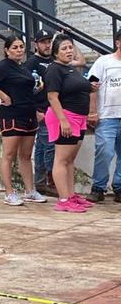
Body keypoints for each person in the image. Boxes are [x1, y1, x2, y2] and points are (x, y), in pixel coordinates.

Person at [0, 33, 46, 206]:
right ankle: (9, 193)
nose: (19, 50)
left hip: (29, 114)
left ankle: (30, 191)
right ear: (6, 50)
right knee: (9, 154)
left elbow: (26, 89)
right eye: (15, 47)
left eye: (21, 47)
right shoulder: (3, 66)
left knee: (25, 155)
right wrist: (4, 96)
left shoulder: (23, 68)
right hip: (12, 115)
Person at [44, 33, 93, 213]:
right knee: (61, 159)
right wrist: (63, 121)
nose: (69, 51)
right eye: (64, 48)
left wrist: (91, 87)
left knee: (70, 160)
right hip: (65, 117)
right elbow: (52, 97)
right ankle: (63, 199)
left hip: (78, 118)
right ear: (56, 53)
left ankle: (71, 195)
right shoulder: (54, 69)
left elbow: (75, 84)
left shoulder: (70, 68)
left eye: (70, 47)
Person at [86, 29, 121, 203]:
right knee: (104, 151)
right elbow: (92, 86)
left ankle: (119, 187)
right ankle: (98, 187)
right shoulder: (103, 62)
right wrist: (93, 111)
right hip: (107, 116)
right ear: (118, 42)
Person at [25, 30, 55, 195]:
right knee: (48, 145)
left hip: (54, 107)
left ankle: (40, 181)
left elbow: (78, 61)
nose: (47, 45)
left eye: (49, 41)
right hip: (41, 109)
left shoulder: (54, 60)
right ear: (36, 44)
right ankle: (50, 181)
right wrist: (35, 109)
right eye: (43, 41)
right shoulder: (31, 63)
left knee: (43, 146)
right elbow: (26, 89)